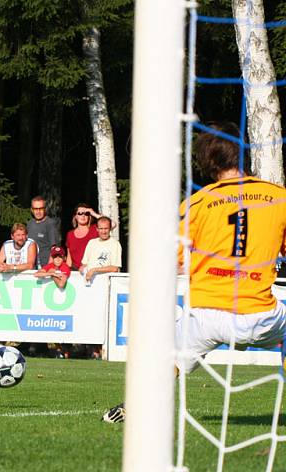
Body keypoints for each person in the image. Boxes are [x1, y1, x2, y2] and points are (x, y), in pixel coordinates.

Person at [104, 122, 286, 423]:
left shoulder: (196, 204)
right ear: (243, 154)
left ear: (207, 163)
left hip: (207, 316)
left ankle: (134, 407)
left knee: (170, 360)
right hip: (260, 314)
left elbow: (169, 261)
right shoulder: (277, 196)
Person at [80, 216, 122, 284]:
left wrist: (94, 270)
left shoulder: (115, 244)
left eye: (106, 228)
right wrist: (82, 268)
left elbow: (115, 268)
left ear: (110, 228)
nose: (103, 231)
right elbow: (84, 264)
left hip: (106, 284)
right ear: (97, 229)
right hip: (89, 283)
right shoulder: (91, 242)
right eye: (101, 228)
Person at [27, 196, 61, 268]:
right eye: (35, 209)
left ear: (45, 209)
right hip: (31, 266)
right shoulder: (29, 223)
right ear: (31, 210)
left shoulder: (50, 224)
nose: (38, 211)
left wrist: (48, 268)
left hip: (44, 267)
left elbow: (54, 250)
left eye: (41, 208)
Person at [65, 204, 101, 270]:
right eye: (80, 213)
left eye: (86, 213)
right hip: (76, 272)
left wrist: (94, 213)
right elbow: (69, 259)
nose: (83, 216)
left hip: (93, 270)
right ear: (75, 216)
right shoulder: (70, 234)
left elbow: (112, 224)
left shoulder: (96, 229)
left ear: (89, 216)